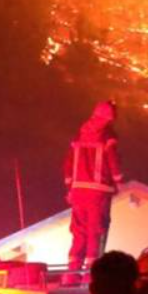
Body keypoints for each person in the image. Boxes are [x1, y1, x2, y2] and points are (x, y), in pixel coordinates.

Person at [63, 100, 123, 281]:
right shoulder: (107, 135)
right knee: (95, 232)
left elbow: (68, 163)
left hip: (78, 192)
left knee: (79, 233)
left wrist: (70, 187)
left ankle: (71, 276)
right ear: (109, 117)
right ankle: (90, 276)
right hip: (99, 192)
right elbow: (112, 160)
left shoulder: (79, 135)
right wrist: (118, 181)